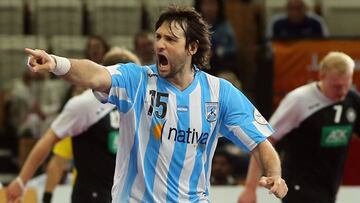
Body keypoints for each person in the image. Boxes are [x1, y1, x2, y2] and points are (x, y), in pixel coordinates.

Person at [22, 6, 287, 202]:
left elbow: (261, 143)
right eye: (158, 37)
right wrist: (58, 63)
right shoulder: (137, 80)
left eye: (170, 40)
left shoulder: (219, 93)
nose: (160, 44)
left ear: (192, 48)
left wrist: (275, 174)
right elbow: (94, 73)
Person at [6, 47, 141, 203]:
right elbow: (48, 142)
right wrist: (22, 181)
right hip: (91, 196)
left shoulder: (139, 105)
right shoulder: (85, 104)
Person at [238, 51, 360, 203]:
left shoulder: (352, 100)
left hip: (329, 187)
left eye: (346, 85)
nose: (342, 92)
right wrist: (250, 188)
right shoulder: (299, 101)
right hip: (298, 185)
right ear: (321, 76)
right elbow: (264, 140)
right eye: (336, 87)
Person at [194, 0, 238, 76]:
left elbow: (232, 49)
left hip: (221, 67)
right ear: (199, 6)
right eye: (205, 4)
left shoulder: (225, 27)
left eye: (212, 4)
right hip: (198, 67)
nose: (209, 8)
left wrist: (216, 52)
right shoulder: (194, 26)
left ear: (219, 6)